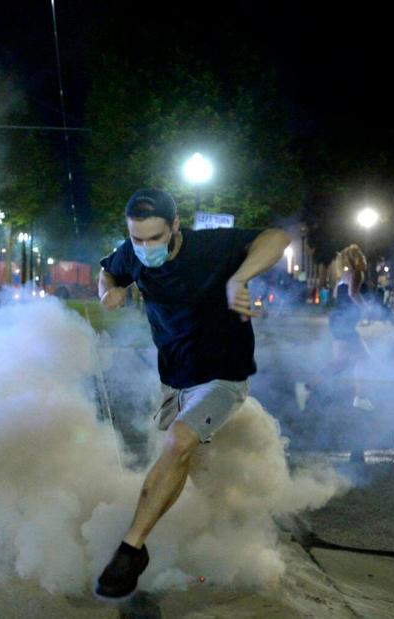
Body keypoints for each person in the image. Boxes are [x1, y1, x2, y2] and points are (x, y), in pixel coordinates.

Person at [94, 188, 289, 599]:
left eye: (155, 238)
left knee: (178, 443)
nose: (145, 248)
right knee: (180, 461)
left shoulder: (211, 247)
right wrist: (108, 291)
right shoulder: (131, 254)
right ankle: (219, 525)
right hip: (175, 379)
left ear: (176, 226)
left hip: (223, 375)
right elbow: (109, 271)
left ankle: (131, 550)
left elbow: (277, 238)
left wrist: (240, 276)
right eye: (137, 239)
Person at [295, 245, 374, 413]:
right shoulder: (356, 273)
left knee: (347, 361)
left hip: (339, 320)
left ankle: (358, 397)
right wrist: (366, 308)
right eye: (360, 255)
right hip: (344, 321)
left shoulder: (342, 277)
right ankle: (358, 398)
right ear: (356, 258)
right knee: (354, 360)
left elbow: (338, 297)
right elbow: (353, 294)